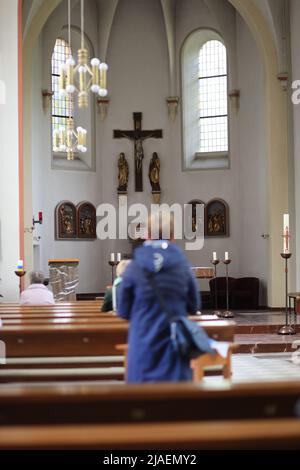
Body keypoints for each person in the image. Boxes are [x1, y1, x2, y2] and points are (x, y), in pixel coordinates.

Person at [117, 212, 203, 383]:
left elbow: (123, 311)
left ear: (146, 235)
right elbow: (194, 305)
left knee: (142, 401)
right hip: (174, 344)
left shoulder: (133, 267)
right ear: (172, 236)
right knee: (175, 399)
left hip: (142, 343)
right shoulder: (183, 266)